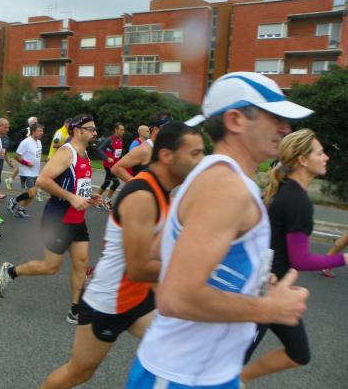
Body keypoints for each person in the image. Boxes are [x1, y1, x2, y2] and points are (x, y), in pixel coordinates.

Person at [127, 72, 311, 389]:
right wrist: (269, 308)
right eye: (276, 118)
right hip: (180, 376)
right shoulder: (226, 187)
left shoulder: (213, 174)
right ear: (236, 120)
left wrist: (248, 279)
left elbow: (162, 248)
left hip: (203, 371)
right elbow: (175, 297)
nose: (286, 129)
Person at [39, 122, 205, 389]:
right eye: (195, 154)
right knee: (79, 372)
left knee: (183, 357)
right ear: (167, 156)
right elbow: (139, 267)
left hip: (139, 298)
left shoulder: (165, 193)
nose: (201, 161)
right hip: (108, 302)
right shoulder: (142, 195)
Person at [241, 129, 348, 386]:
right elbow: (301, 259)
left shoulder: (288, 191)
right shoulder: (297, 200)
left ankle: (237, 380)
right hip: (264, 291)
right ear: (302, 160)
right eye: (320, 153)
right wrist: (345, 259)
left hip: (274, 288)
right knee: (230, 359)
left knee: (298, 354)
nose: (326, 158)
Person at [0, 114, 102, 324]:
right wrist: (71, 197)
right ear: (78, 130)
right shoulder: (66, 152)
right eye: (91, 129)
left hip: (78, 217)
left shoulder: (85, 155)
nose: (95, 133)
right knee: (51, 267)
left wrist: (90, 197)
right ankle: (10, 272)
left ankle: (75, 310)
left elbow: (78, 185)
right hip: (59, 217)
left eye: (95, 129)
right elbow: (43, 180)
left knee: (81, 263)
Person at [111, 117, 165, 182]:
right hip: (132, 172)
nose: (149, 132)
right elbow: (131, 157)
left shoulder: (152, 145)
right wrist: (135, 184)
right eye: (147, 131)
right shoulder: (136, 143)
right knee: (114, 183)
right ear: (141, 133)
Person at [7, 123, 43, 218]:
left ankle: (21, 209)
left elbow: (36, 156)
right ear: (33, 132)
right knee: (32, 193)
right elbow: (17, 156)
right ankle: (13, 201)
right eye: (39, 131)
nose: (42, 133)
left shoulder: (39, 142)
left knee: (32, 194)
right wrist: (27, 163)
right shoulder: (26, 142)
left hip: (35, 172)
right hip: (26, 172)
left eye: (42, 131)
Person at [96, 122, 125, 210]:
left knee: (107, 182)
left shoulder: (120, 140)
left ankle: (97, 199)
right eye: (121, 130)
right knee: (116, 183)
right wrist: (107, 158)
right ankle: (107, 201)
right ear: (116, 130)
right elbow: (100, 149)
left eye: (123, 130)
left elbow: (117, 154)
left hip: (115, 166)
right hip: (108, 165)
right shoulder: (110, 139)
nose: (123, 131)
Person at [6, 116, 38, 189]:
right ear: (30, 123)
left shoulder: (36, 131)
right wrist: (21, 146)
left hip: (31, 152)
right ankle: (30, 186)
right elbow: (17, 138)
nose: (37, 123)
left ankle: (10, 180)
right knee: (25, 167)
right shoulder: (25, 131)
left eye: (37, 122)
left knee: (23, 167)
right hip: (24, 152)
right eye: (35, 122)